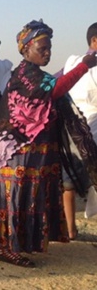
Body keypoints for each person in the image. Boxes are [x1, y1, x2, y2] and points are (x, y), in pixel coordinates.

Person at [0, 19, 97, 268]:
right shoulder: (26, 76)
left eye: (49, 48)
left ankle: (13, 241)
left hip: (35, 151)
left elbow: (54, 82)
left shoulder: (36, 75)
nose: (47, 53)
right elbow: (55, 89)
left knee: (27, 195)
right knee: (15, 195)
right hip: (19, 151)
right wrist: (84, 66)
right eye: (42, 48)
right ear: (26, 49)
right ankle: (6, 246)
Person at [60, 22, 97, 240]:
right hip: (90, 129)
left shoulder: (72, 61)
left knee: (69, 182)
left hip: (72, 130)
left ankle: (71, 230)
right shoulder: (81, 63)